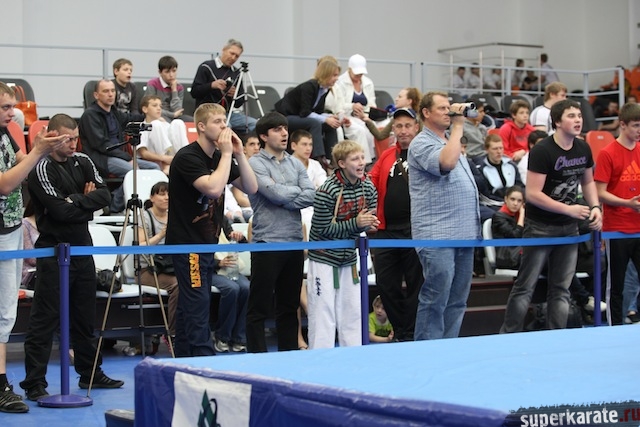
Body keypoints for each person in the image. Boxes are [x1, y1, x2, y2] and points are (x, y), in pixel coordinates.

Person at [20, 113, 123, 402]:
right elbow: (59, 212)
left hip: (82, 249)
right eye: (67, 139)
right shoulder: (42, 169)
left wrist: (75, 200)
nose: (73, 143)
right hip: (54, 251)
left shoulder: (84, 161)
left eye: (76, 138)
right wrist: (85, 204)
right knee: (44, 319)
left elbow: (104, 196)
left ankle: (91, 373)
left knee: (84, 317)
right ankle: (34, 382)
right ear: (53, 136)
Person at [500, 99, 602, 333]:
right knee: (525, 286)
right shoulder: (543, 150)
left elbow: (588, 182)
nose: (578, 120)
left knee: (561, 289)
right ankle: (508, 335)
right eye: (571, 116)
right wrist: (569, 209)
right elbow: (533, 194)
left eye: (579, 115)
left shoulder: (583, 148)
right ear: (557, 122)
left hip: (569, 227)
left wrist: (595, 206)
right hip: (540, 227)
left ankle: (557, 337)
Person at [166, 102, 257, 357]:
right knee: (198, 305)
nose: (224, 126)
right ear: (202, 126)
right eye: (217, 122)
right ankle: (205, 362)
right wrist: (227, 155)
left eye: (225, 121)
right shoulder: (188, 156)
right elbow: (214, 189)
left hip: (207, 243)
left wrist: (239, 154)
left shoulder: (219, 156)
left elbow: (251, 188)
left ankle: (183, 361)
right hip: (188, 245)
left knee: (189, 307)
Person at [0, 82, 67, 413]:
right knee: (1, 313)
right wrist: (38, 152)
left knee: (6, 312)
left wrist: (42, 150)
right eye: (5, 107)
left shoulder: (5, 133)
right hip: (1, 234)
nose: (12, 113)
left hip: (11, 229)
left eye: (12, 106)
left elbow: (21, 164)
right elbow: (6, 183)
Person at [408, 91, 481, 340]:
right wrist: (459, 124)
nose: (448, 112)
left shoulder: (450, 140)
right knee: (436, 298)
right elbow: (446, 164)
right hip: (437, 235)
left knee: (458, 300)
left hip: (463, 234)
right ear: (426, 113)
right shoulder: (421, 143)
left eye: (449, 107)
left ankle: (448, 347)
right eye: (442, 108)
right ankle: (428, 351)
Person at [246, 112, 315, 353]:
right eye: (277, 129)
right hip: (267, 242)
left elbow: (311, 195)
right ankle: (257, 356)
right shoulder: (255, 163)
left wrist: (283, 194)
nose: (284, 133)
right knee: (259, 306)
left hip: (294, 242)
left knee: (289, 305)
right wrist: (291, 193)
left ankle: (289, 355)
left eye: (285, 128)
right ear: (264, 136)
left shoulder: (295, 163)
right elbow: (274, 194)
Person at [306, 139, 379, 348]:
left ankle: (353, 357)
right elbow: (322, 229)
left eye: (362, 157)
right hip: (323, 257)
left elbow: (366, 222)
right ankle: (320, 358)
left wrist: (368, 224)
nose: (361, 162)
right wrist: (356, 223)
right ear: (342, 163)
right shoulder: (327, 191)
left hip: (349, 257)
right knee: (323, 311)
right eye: (355, 159)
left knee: (352, 310)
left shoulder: (368, 187)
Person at [368, 108, 423, 342]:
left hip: (415, 230)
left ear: (416, 127)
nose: (403, 130)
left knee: (416, 285)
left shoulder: (425, 153)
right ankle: (401, 331)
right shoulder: (387, 155)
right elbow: (370, 181)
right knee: (386, 285)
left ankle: (409, 332)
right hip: (386, 231)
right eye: (398, 126)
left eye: (408, 125)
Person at [79, 79, 161, 213]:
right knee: (133, 172)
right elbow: (102, 145)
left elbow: (130, 118)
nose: (111, 94)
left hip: (118, 156)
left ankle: (144, 206)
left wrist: (148, 116)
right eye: (106, 91)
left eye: (112, 91)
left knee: (155, 168)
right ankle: (114, 206)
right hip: (101, 158)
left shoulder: (114, 112)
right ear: (96, 95)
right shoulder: (90, 115)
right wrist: (128, 158)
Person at [594, 101, 640, 326]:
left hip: (638, 227)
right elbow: (599, 193)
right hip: (617, 229)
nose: (639, 130)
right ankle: (614, 329)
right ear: (622, 125)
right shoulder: (607, 153)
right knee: (616, 285)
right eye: (636, 125)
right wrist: (627, 203)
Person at [274, 59, 341, 167]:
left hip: (301, 116)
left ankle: (333, 159)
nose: (337, 78)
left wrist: (330, 117)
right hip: (286, 116)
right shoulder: (309, 86)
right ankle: (319, 159)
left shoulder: (325, 89)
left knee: (330, 125)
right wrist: (325, 119)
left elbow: (318, 112)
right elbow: (305, 112)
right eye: (334, 75)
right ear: (326, 74)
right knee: (315, 123)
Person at [190, 39, 257, 133]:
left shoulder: (236, 73)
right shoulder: (206, 67)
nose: (233, 58)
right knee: (225, 127)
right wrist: (212, 85)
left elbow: (239, 103)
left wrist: (235, 95)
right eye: (232, 53)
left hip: (228, 114)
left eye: (237, 56)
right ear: (224, 49)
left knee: (255, 124)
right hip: (208, 113)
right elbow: (194, 92)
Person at [138, 181, 178, 337]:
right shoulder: (144, 217)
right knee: (178, 285)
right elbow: (140, 246)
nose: (166, 197)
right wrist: (161, 235)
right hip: (147, 270)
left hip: (170, 266)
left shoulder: (174, 216)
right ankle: (173, 333)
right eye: (162, 194)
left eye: (169, 194)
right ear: (152, 198)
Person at [212, 224, 250, 353]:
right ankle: (222, 336)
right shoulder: (197, 222)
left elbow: (240, 245)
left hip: (229, 268)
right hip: (208, 270)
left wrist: (240, 238)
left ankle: (239, 338)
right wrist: (217, 263)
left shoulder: (222, 220)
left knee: (246, 288)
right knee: (231, 289)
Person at [334, 54, 377, 163]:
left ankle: (375, 159)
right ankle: (365, 162)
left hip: (363, 116)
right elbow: (338, 104)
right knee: (360, 131)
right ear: (349, 69)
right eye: (356, 73)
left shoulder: (368, 83)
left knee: (373, 129)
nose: (359, 76)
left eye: (361, 73)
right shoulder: (340, 82)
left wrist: (365, 114)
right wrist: (352, 106)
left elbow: (372, 102)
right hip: (348, 117)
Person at [137, 94, 189, 174]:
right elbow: (143, 153)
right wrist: (164, 158)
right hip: (157, 160)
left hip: (174, 157)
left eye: (160, 106)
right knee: (156, 124)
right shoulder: (141, 128)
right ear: (145, 109)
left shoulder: (167, 125)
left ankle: (185, 159)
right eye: (155, 105)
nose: (159, 108)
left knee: (178, 122)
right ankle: (166, 165)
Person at [473, 134, 524, 212]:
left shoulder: (511, 165)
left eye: (501, 148)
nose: (499, 152)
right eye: (495, 149)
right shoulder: (481, 169)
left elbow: (520, 186)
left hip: (514, 203)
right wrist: (506, 204)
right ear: (487, 150)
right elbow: (485, 196)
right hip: (493, 206)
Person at [144, 55, 192, 122]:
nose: (171, 75)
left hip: (175, 117)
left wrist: (174, 90)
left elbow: (178, 110)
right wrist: (172, 115)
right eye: (167, 72)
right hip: (159, 116)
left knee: (191, 121)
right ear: (160, 72)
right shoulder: (153, 84)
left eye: (174, 71)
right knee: (164, 122)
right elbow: (151, 109)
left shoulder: (179, 87)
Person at [491, 185, 526, 270]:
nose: (515, 203)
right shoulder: (499, 216)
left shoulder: (518, 215)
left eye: (519, 201)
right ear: (506, 199)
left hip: (519, 252)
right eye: (512, 199)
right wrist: (522, 215)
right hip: (507, 255)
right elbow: (515, 236)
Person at [21, 201, 38, 290]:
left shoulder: (50, 226)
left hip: (48, 267)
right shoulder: (25, 225)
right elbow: (30, 258)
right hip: (30, 273)